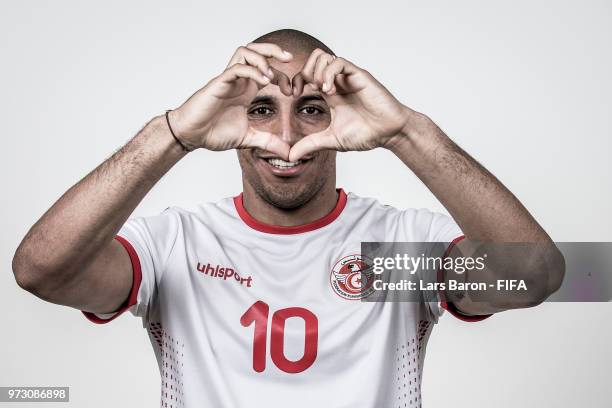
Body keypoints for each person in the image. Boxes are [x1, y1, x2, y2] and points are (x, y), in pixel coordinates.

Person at [12, 29, 564, 407]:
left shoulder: (398, 249)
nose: (285, 137)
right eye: (261, 109)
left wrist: (405, 131)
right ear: (229, 120)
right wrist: (175, 131)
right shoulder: (178, 243)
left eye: (311, 110)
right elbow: (40, 270)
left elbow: (535, 276)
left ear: (342, 120)